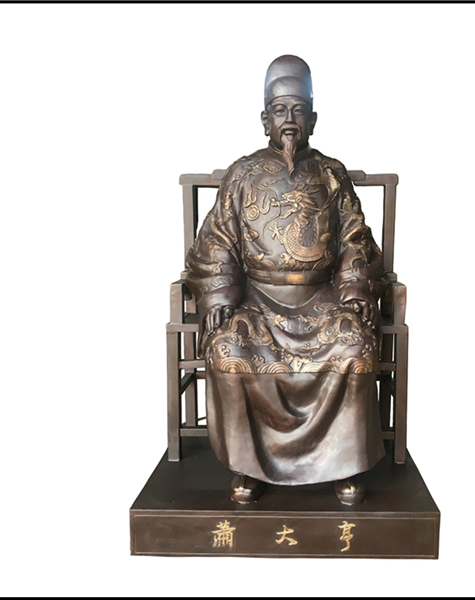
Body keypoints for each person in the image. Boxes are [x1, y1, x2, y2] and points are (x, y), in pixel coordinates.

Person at [184, 55, 388, 505]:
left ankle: (344, 464)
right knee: (229, 350)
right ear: (265, 120)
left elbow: (354, 237)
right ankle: (248, 466)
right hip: (257, 300)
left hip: (322, 298)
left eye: (298, 110)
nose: (289, 120)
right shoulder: (242, 174)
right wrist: (219, 293)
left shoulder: (331, 174)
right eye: (280, 111)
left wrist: (355, 287)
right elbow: (216, 239)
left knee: (355, 349)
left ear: (313, 119)